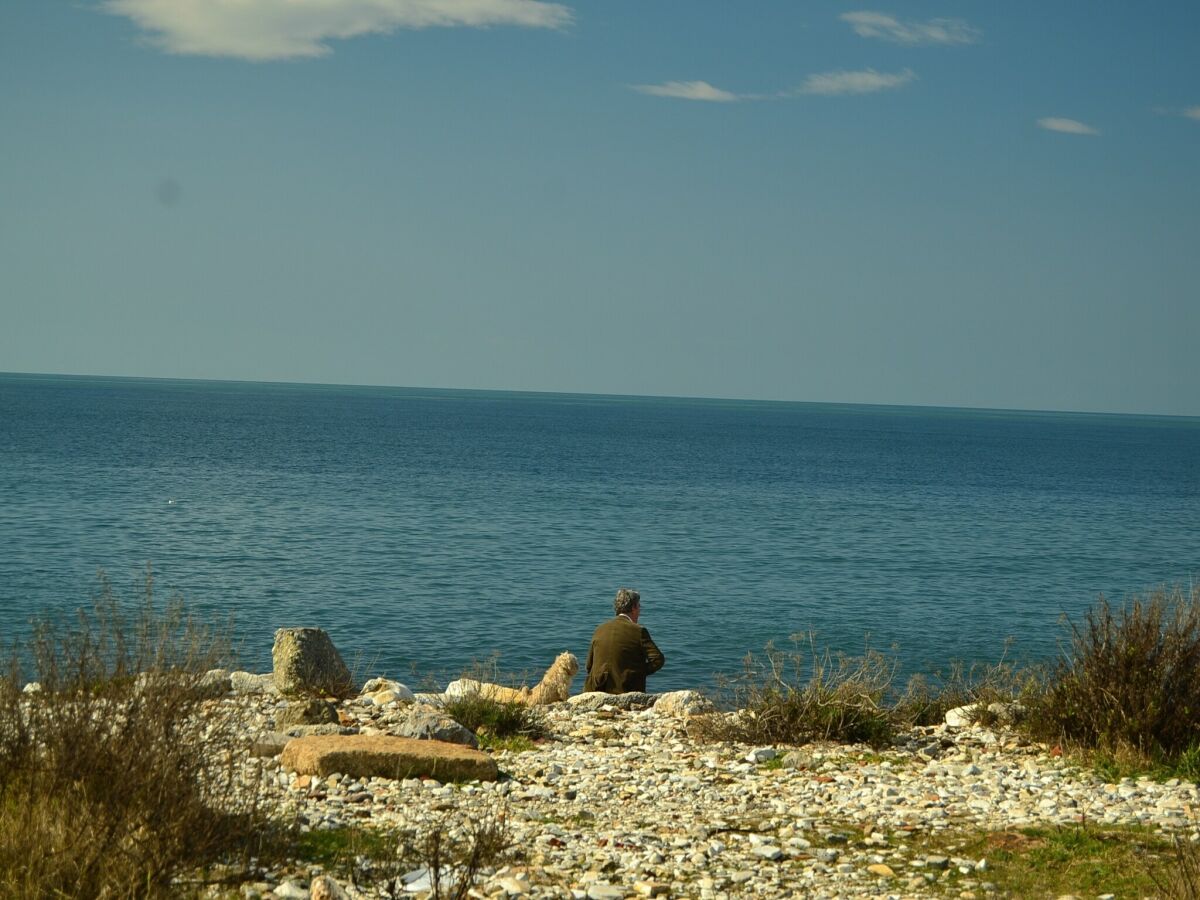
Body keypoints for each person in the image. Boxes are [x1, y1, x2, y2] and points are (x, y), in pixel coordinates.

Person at [583, 587, 665, 694]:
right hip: (624, 691)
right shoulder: (639, 631)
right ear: (633, 608)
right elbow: (658, 659)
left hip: (595, 690)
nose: (640, 610)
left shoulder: (599, 629)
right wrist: (636, 673)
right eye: (639, 606)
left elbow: (589, 666)